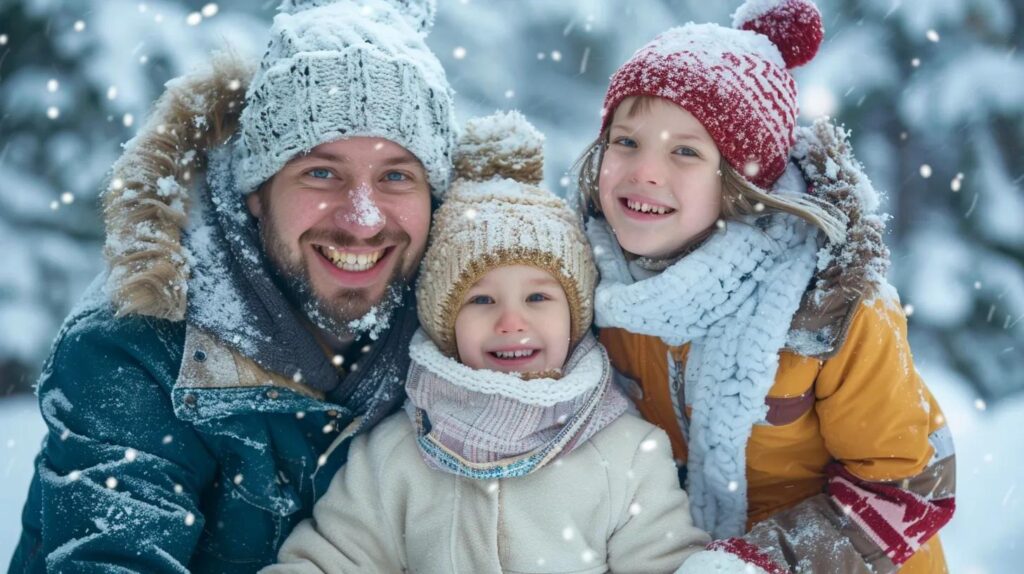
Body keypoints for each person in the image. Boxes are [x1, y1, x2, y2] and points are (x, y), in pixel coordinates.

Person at [9, 0, 456, 571]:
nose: (363, 218)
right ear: (257, 189)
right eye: (322, 172)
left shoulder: (472, 328)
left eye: (397, 175)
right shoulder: (136, 350)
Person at [260, 111, 742, 574]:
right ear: (444, 323)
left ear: (574, 318)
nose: (512, 322)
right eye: (482, 300)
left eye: (537, 296)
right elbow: (332, 560)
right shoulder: (394, 454)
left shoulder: (627, 453)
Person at [575, 0, 956, 572]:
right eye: (626, 141)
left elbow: (913, 484)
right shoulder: (592, 284)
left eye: (686, 151)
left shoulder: (830, 306)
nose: (644, 171)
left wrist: (758, 562)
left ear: (742, 185)